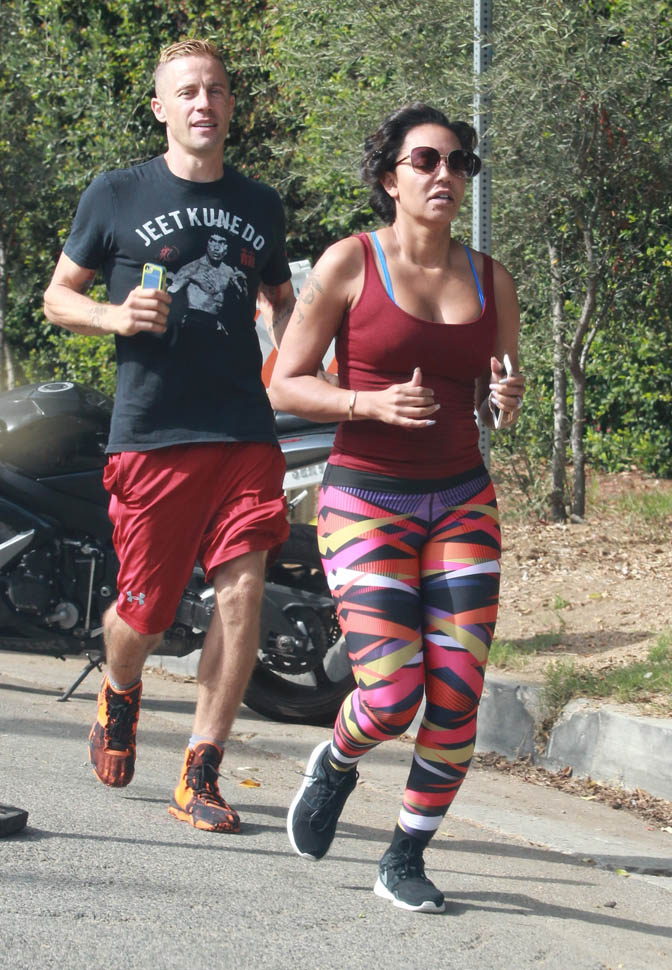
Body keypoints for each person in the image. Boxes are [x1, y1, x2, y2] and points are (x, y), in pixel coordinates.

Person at [269, 103, 525, 911]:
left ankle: (404, 855)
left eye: (458, 163)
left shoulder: (491, 279)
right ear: (389, 177)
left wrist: (502, 400)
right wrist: (368, 404)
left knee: (457, 694)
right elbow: (284, 383)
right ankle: (337, 760)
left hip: (461, 499)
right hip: (366, 498)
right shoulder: (350, 262)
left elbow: (489, 397)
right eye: (426, 161)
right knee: (390, 696)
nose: (445, 175)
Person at [43, 39, 295, 834]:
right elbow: (57, 297)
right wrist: (115, 315)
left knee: (243, 593)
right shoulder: (116, 192)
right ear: (160, 107)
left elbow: (282, 299)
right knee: (144, 618)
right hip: (154, 433)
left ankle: (201, 770)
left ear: (231, 105)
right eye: (187, 92)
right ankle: (121, 690)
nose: (203, 103)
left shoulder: (260, 203)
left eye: (215, 90)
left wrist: (293, 356)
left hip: (245, 430)